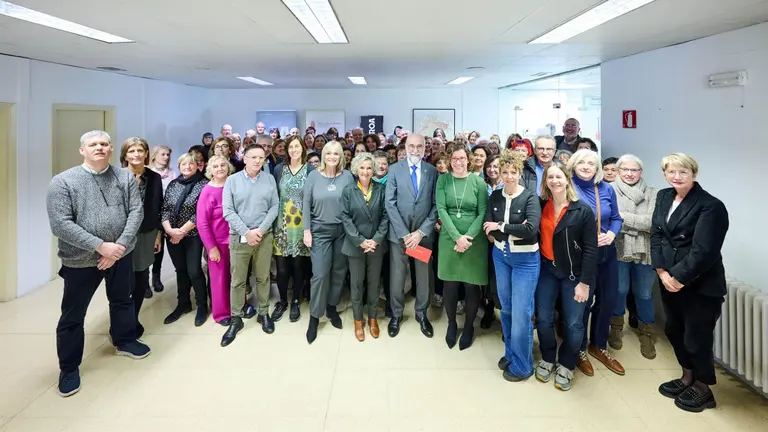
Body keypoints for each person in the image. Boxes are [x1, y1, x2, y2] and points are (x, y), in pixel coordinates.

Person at [47, 130, 149, 397]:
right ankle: (69, 368)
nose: (99, 148)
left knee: (122, 300)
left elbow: (136, 212)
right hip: (80, 260)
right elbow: (60, 224)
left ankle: (125, 340)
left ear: (111, 148)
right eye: (93, 144)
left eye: (104, 144)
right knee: (73, 315)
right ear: (82, 150)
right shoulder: (63, 182)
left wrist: (118, 248)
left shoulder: (124, 176)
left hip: (121, 255)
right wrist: (101, 246)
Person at [651, 153, 728, 413]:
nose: (677, 176)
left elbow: (704, 251)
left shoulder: (710, 205)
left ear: (694, 174)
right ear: (664, 174)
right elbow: (657, 234)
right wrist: (661, 271)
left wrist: (678, 278)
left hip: (700, 284)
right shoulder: (664, 196)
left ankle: (704, 388)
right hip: (668, 278)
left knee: (697, 337)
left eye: (683, 172)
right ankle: (687, 378)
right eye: (671, 171)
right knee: (675, 330)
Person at [534, 161, 596, 391]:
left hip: (574, 275)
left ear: (567, 180)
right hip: (547, 270)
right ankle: (548, 357)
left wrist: (585, 283)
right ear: (545, 182)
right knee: (543, 318)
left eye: (559, 176)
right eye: (550, 177)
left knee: (573, 323)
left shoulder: (582, 210)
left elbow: (590, 250)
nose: (554, 181)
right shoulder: (541, 205)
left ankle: (568, 363)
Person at [567, 149, 625, 377]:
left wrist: (611, 234)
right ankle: (580, 348)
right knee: (583, 302)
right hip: (582, 254)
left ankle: (599, 345)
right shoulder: (568, 187)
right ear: (573, 165)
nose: (586, 166)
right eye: (581, 162)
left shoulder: (606, 189)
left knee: (608, 299)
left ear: (598, 168)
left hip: (607, 252)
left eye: (591, 163)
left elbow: (617, 218)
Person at [484, 150, 541, 381]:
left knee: (521, 313)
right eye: (505, 172)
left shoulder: (530, 197)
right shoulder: (495, 196)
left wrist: (501, 226)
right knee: (506, 309)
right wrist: (511, 228)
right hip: (501, 256)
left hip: (525, 260)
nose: (509, 176)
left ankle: (523, 365)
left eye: (513, 172)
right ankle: (511, 352)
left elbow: (531, 230)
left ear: (520, 173)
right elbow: (487, 227)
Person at [220, 144, 280, 346]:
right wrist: (247, 232)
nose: (257, 161)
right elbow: (228, 211)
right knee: (238, 280)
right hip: (240, 236)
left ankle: (263, 313)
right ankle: (236, 319)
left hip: (264, 236)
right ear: (244, 158)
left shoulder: (269, 179)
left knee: (263, 277)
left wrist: (260, 230)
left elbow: (275, 206)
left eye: (261, 157)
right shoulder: (232, 180)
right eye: (253, 157)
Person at [435, 142, 488, 349]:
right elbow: (441, 209)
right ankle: (451, 324)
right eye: (455, 159)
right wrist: (457, 237)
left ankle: (468, 327)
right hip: (449, 238)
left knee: (471, 285)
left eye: (462, 158)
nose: (458, 162)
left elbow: (482, 212)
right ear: (450, 160)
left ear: (468, 159)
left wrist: (467, 238)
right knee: (450, 284)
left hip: (474, 241)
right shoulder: (443, 180)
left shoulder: (478, 182)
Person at [385, 134, 438, 338]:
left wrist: (420, 232)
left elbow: (435, 205)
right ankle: (396, 314)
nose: (415, 150)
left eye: (419, 146)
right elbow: (390, 203)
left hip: (422, 236)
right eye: (412, 146)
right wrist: (405, 234)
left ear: (425, 148)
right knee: (398, 276)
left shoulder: (431, 171)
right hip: (400, 236)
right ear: (405, 147)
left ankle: (422, 314)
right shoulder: (394, 169)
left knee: (423, 276)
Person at [303, 141, 355, 344]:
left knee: (339, 272)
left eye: (336, 153)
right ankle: (315, 316)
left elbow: (352, 203)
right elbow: (306, 203)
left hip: (343, 231)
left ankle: (331, 307)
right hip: (319, 231)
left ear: (341, 156)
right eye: (329, 153)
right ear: (323, 155)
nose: (332, 156)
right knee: (320, 274)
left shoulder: (347, 176)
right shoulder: (313, 176)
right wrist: (306, 231)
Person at [609, 154, 657, 359]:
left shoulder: (653, 193)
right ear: (618, 171)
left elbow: (651, 223)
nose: (629, 173)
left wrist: (622, 217)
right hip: (617, 248)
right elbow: (609, 218)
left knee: (644, 294)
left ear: (641, 172)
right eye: (625, 169)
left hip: (645, 250)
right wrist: (634, 221)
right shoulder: (609, 189)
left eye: (634, 170)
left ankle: (647, 333)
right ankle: (616, 328)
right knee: (619, 291)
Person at [341, 152, 389, 341]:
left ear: (373, 170)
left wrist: (375, 240)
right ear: (356, 169)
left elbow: (385, 216)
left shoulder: (381, 189)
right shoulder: (348, 190)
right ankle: (358, 320)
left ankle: (373, 319)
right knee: (356, 284)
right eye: (362, 167)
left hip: (376, 245)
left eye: (369, 168)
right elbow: (345, 218)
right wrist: (360, 240)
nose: (365, 171)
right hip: (356, 245)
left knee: (374, 284)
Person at [120, 138, 163, 338]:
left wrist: (158, 234)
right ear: (125, 155)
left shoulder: (154, 178)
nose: (136, 154)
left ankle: (133, 319)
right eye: (132, 151)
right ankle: (120, 322)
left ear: (146, 154)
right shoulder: (116, 176)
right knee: (122, 281)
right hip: (121, 235)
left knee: (141, 278)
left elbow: (158, 206)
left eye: (140, 150)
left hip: (146, 233)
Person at [161, 153, 209, 326]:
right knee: (180, 270)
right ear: (179, 166)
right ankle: (183, 303)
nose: (187, 167)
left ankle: (202, 305)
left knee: (194, 271)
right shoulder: (174, 184)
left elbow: (200, 213)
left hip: (193, 235)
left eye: (191, 164)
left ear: (198, 166)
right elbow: (165, 209)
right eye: (184, 164)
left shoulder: (204, 184)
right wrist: (169, 230)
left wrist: (181, 232)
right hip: (172, 234)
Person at [272, 136, 314, 323]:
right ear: (287, 150)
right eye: (291, 147)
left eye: (297, 146)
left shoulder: (310, 170)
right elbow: (274, 196)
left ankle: (296, 300)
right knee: (281, 269)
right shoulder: (278, 169)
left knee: (298, 266)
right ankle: (282, 301)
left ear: (303, 148)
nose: (294, 150)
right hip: (281, 225)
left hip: (301, 225)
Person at [196, 155, 235, 326]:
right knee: (219, 279)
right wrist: (211, 247)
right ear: (210, 170)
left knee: (237, 276)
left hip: (236, 240)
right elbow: (202, 223)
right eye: (216, 166)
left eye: (223, 165)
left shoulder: (233, 185)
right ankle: (221, 313)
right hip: (218, 243)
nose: (220, 169)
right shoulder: (207, 191)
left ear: (228, 167)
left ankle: (238, 307)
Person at [149, 145, 175, 293]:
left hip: (167, 214)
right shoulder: (149, 172)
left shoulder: (172, 173)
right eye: (163, 154)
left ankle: (156, 277)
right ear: (154, 156)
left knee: (160, 248)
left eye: (167, 155)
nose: (166, 157)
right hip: (152, 213)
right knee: (149, 247)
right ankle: (144, 282)